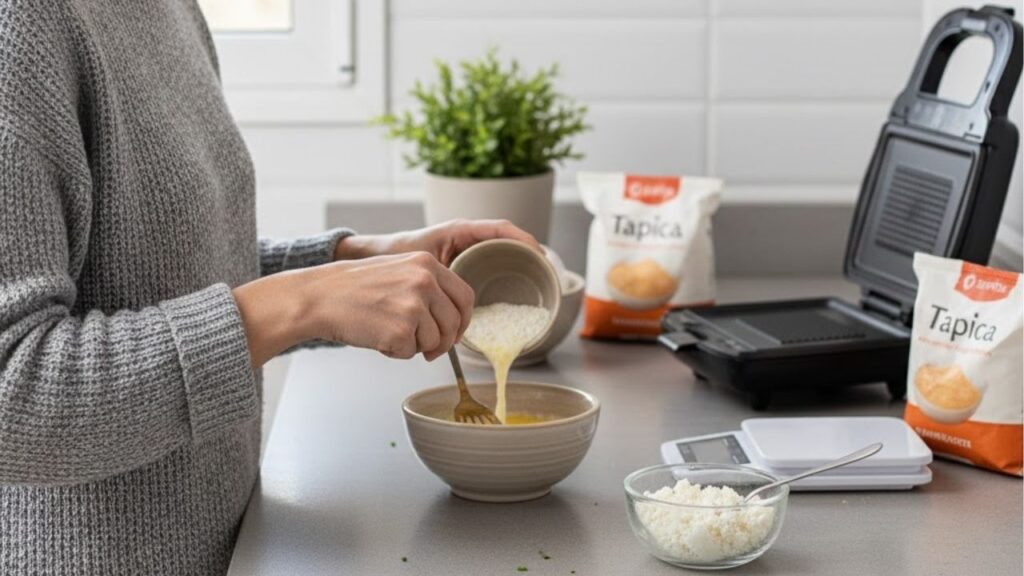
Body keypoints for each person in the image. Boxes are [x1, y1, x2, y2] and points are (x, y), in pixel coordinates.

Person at [0, 2, 538, 574]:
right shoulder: (21, 28)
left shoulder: (170, 9)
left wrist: (348, 262)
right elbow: (12, 391)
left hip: (228, 545)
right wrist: (304, 301)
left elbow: (161, 269)